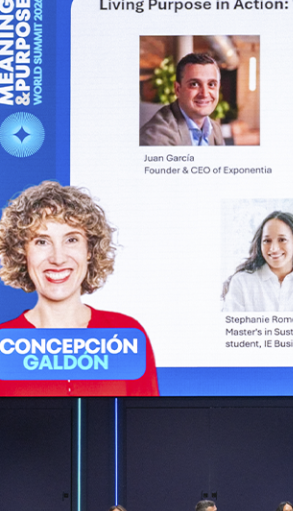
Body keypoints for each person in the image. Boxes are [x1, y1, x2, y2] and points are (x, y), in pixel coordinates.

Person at [0, 181, 159, 396]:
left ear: (89, 251)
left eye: (71, 240)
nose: (57, 258)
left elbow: (145, 426)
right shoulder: (5, 343)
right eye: (42, 242)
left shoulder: (125, 336)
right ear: (22, 253)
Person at [222, 211, 293, 313]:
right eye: (267, 241)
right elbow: (231, 330)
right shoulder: (242, 283)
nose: (273, 248)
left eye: (282, 240)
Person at [139, 52, 226, 147]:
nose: (205, 94)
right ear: (177, 89)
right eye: (194, 84)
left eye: (211, 84)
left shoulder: (214, 129)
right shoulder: (156, 138)